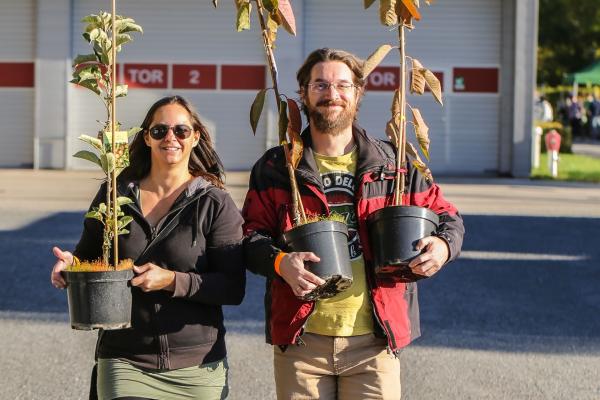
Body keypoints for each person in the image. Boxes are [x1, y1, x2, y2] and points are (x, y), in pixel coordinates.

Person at [242, 48, 464, 399]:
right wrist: (280, 263)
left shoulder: (394, 163)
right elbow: (250, 237)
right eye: (321, 85)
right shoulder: (276, 168)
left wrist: (443, 245)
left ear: (358, 92)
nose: (332, 94)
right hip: (303, 343)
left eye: (343, 85)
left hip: (374, 343)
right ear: (303, 93)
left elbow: (447, 216)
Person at [50, 95, 245, 400]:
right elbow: (89, 254)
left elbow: (233, 287)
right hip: (126, 358)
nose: (171, 138)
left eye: (181, 130)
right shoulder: (116, 194)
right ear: (147, 138)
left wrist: (172, 281)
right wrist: (71, 266)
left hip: (196, 366)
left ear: (195, 137)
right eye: (160, 131)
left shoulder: (214, 202)